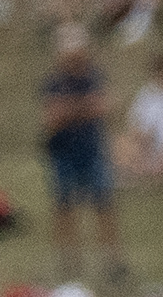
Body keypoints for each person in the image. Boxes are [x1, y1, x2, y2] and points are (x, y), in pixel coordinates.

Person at [43, 22, 124, 279]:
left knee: (104, 204)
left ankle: (112, 258)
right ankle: (69, 258)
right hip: (64, 151)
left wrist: (69, 110)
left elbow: (103, 106)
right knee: (64, 206)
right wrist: (84, 108)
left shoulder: (93, 78)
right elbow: (52, 117)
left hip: (91, 150)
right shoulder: (55, 82)